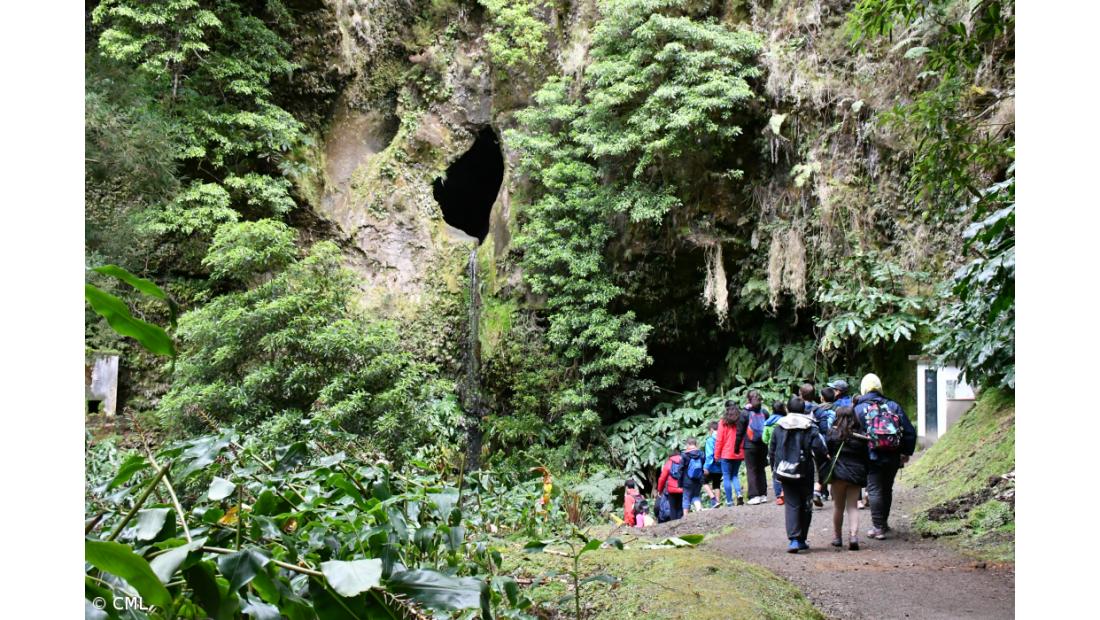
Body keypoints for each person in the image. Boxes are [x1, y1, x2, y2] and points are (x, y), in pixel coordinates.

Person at [854, 373, 916, 540]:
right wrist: (906, 452)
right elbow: (909, 431)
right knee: (886, 488)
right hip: (893, 455)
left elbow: (852, 434)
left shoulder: (859, 409)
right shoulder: (893, 406)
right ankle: (883, 524)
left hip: (871, 455)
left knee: (874, 488)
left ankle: (878, 527)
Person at [769, 396, 828, 553]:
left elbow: (772, 450)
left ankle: (794, 539)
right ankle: (801, 539)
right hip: (805, 470)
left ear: (788, 409)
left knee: (792, 504)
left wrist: (774, 470)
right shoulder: (810, 427)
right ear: (804, 410)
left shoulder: (779, 426)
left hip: (784, 470)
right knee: (806, 503)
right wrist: (823, 472)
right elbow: (820, 450)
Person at [819, 406, 869, 550]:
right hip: (855, 474)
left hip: (838, 475)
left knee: (838, 507)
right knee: (853, 506)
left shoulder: (832, 434)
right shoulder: (861, 435)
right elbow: (866, 457)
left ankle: (837, 537)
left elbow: (826, 452)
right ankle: (853, 537)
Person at [714, 400, 746, 506]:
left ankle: (729, 501)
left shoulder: (723, 422)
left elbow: (719, 440)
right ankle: (739, 494)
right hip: (738, 453)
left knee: (726, 477)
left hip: (726, 454)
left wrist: (717, 455)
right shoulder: (741, 419)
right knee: (735, 475)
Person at [741, 391, 770, 504]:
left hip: (749, 445)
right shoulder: (765, 412)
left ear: (748, 400)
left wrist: (737, 446)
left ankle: (754, 496)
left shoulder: (744, 413)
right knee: (761, 469)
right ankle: (763, 494)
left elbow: (740, 431)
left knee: (751, 469)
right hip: (762, 444)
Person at [763, 401, 787, 505]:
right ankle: (786, 491)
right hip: (786, 448)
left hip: (773, 450)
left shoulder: (768, 422)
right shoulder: (786, 420)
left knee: (775, 472)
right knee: (787, 469)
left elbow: (764, 439)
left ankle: (779, 496)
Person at [678, 438, 706, 513]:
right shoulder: (701, 454)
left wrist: (680, 482)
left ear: (687, 445)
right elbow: (703, 465)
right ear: (696, 444)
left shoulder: (684, 455)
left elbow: (680, 469)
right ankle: (699, 510)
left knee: (686, 497)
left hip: (687, 481)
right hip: (698, 479)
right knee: (696, 496)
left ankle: (686, 516)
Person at [657, 447, 685, 521]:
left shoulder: (669, 463)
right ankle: (680, 523)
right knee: (680, 507)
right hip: (682, 488)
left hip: (671, 490)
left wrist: (660, 490)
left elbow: (662, 478)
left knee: (672, 507)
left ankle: (673, 524)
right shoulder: (684, 461)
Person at [703, 421, 722, 508]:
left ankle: (713, 499)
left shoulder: (710, 440)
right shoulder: (722, 438)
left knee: (703, 481)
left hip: (712, 466)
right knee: (717, 484)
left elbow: (709, 455)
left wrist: (706, 467)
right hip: (720, 466)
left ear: (711, 429)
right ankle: (718, 502)